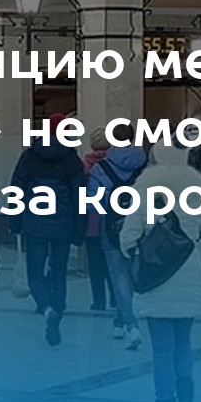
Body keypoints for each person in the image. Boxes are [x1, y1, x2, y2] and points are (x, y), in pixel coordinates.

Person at [119, 144, 201, 402]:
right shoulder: (197, 188)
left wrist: (140, 255)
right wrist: (194, 257)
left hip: (155, 278)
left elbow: (128, 237)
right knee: (183, 343)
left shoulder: (144, 188)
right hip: (188, 276)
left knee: (162, 350)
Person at [9, 112, 85, 346]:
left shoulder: (29, 157)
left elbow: (17, 189)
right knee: (59, 270)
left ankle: (46, 308)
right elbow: (80, 196)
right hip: (63, 223)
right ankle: (58, 306)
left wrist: (15, 221)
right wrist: (79, 229)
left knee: (35, 271)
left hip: (35, 222)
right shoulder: (72, 159)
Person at [86, 123, 147, 349]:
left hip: (110, 225)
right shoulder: (145, 165)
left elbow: (93, 202)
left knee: (119, 275)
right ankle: (120, 320)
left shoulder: (101, 167)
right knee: (133, 273)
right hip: (139, 225)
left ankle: (131, 325)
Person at [81, 128, 115, 312]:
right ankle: (116, 297)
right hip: (113, 219)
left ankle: (98, 300)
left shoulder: (85, 165)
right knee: (114, 262)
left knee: (95, 263)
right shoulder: (115, 162)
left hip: (92, 220)